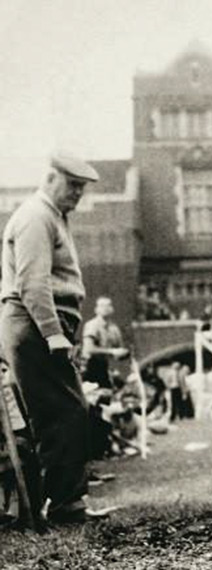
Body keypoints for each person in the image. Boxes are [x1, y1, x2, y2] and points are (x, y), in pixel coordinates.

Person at [0, 153, 113, 524]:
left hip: (42, 328)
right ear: (51, 178)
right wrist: (53, 334)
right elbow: (32, 282)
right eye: (73, 185)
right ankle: (64, 505)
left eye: (82, 187)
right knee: (64, 413)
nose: (78, 193)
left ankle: (64, 501)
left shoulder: (52, 216)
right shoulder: (36, 215)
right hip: (34, 326)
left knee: (65, 412)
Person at [81, 296, 129, 390]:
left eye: (108, 305)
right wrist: (112, 351)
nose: (106, 308)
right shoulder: (92, 325)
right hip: (91, 368)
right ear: (96, 309)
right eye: (102, 306)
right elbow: (88, 349)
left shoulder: (113, 328)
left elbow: (119, 348)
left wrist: (123, 353)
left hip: (107, 367)